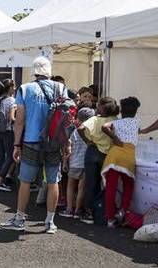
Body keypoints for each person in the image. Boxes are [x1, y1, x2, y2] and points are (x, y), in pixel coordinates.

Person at [0, 56, 69, 234]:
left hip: (31, 140)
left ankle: (20, 218)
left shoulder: (24, 89)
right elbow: (66, 118)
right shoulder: (60, 87)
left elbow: (20, 121)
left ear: (34, 71)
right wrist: (66, 142)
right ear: (49, 70)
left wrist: (16, 145)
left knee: (25, 181)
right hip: (54, 141)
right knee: (53, 180)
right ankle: (50, 222)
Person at [101, 96, 141, 228]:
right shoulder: (137, 123)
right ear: (135, 111)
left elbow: (104, 126)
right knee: (129, 185)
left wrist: (115, 138)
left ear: (121, 111)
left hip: (114, 155)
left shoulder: (117, 123)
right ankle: (122, 210)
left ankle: (110, 219)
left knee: (110, 188)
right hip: (129, 156)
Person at [79, 97, 119, 225]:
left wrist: (88, 141)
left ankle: (89, 213)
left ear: (101, 107)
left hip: (93, 151)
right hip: (108, 154)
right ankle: (103, 211)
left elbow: (80, 128)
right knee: (106, 183)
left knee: (90, 182)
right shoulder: (115, 120)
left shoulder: (95, 119)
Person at [60, 88, 96, 219]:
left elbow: (67, 147)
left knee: (70, 186)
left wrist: (64, 161)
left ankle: (69, 208)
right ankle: (78, 210)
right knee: (81, 188)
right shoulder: (92, 133)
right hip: (86, 163)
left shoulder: (75, 132)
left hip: (74, 162)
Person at [0, 80, 16, 192]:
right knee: (10, 156)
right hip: (8, 130)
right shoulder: (11, 100)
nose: (15, 89)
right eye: (14, 87)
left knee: (0, 154)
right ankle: (0, 180)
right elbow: (11, 118)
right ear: (10, 87)